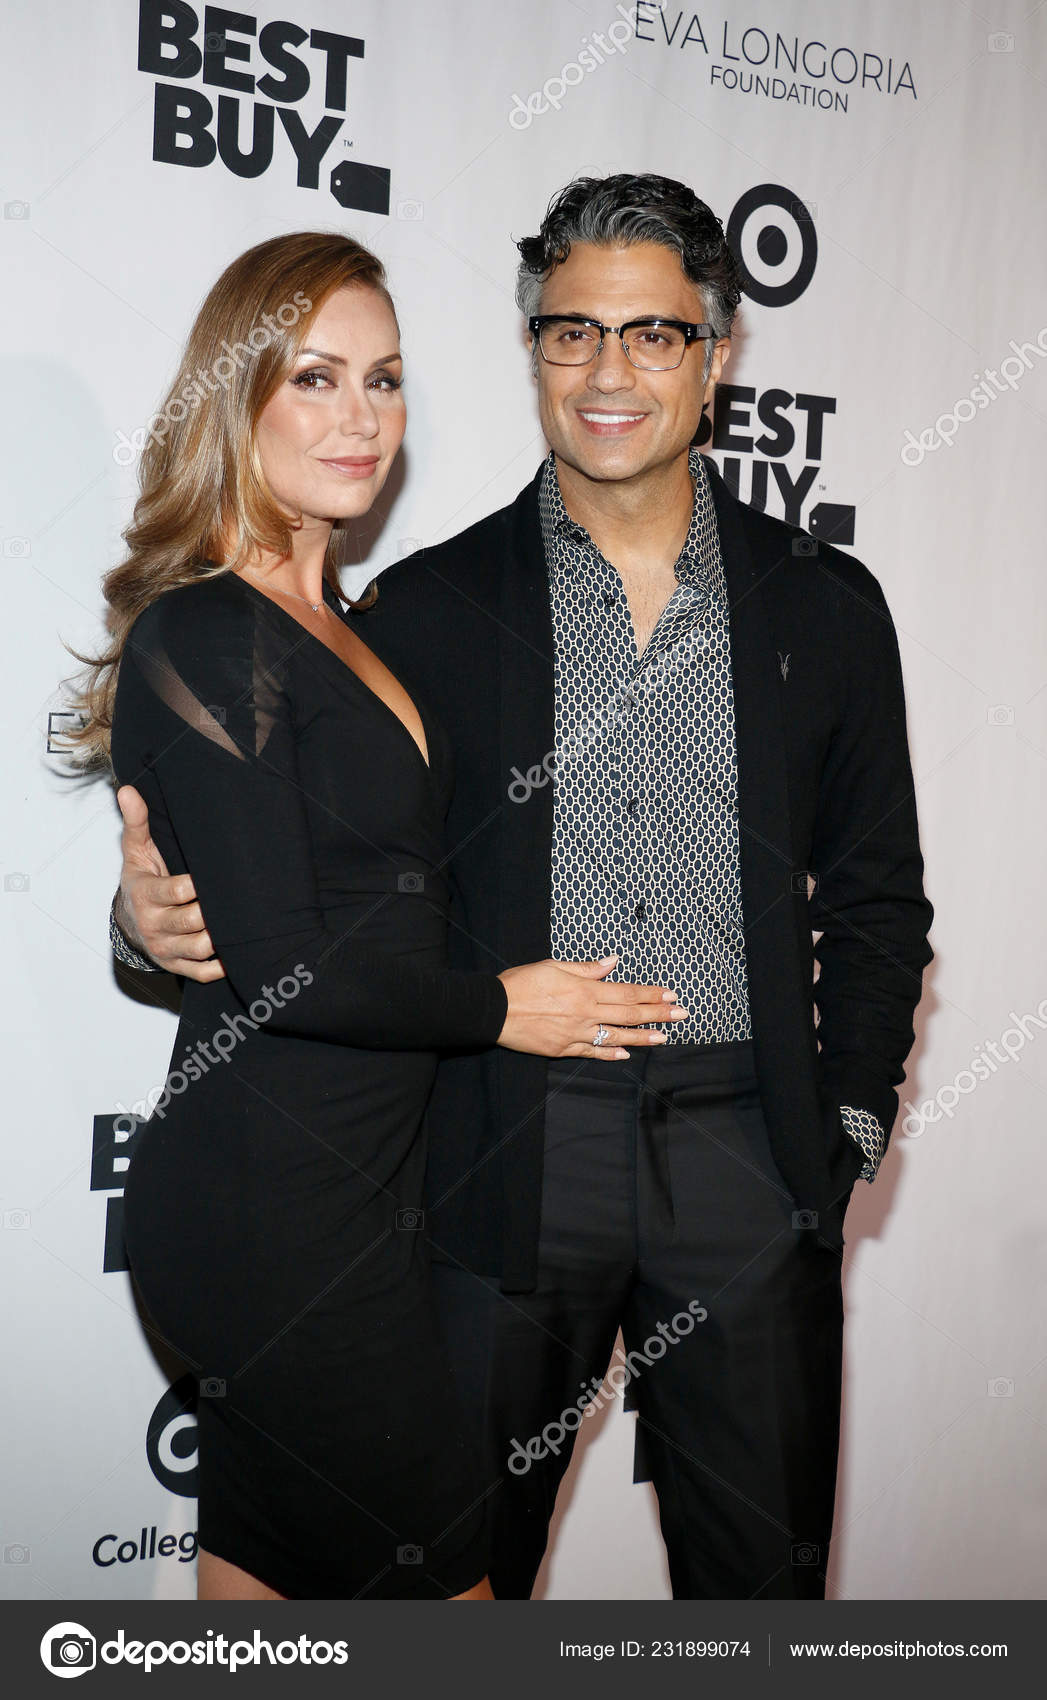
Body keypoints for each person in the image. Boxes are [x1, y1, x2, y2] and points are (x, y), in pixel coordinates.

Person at [111, 177, 934, 1600]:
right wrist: (141, 929)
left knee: (762, 1598)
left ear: (717, 355)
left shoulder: (825, 603)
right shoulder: (422, 611)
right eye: (572, 332)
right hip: (497, 1152)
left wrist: (846, 1129)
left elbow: (879, 899)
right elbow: (296, 873)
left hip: (748, 1148)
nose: (609, 372)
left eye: (654, 335)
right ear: (533, 350)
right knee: (447, 1573)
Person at [74, 229, 687, 1603]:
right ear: (236, 394)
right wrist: (505, 1008)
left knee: (257, 1577)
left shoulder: (363, 623)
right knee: (451, 1591)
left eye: (385, 378)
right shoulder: (206, 632)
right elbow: (286, 963)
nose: (360, 417)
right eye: (315, 377)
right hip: (271, 1213)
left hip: (372, 1198)